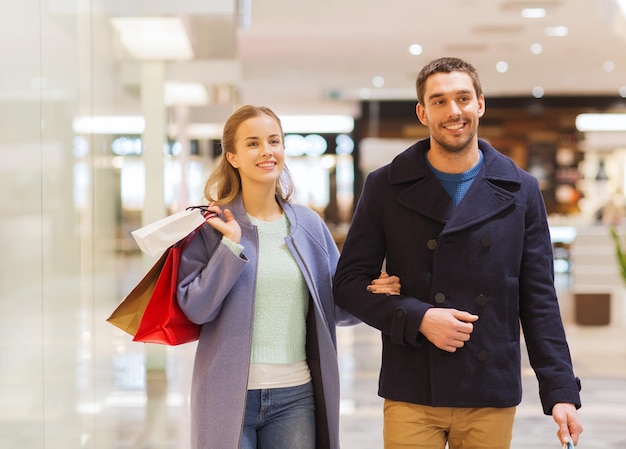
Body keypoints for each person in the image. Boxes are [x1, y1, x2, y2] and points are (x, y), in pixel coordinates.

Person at [332, 57, 583, 449]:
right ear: (422, 112)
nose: (454, 111)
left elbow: (539, 300)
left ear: (480, 104)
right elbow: (347, 284)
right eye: (439, 101)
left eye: (463, 98)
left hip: (489, 388)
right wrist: (419, 317)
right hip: (412, 385)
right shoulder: (385, 186)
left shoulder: (521, 190)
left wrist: (560, 390)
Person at [176, 105, 400, 449]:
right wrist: (230, 247)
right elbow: (197, 309)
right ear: (232, 156)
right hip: (226, 393)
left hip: (295, 396)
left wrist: (371, 292)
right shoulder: (213, 226)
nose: (267, 151)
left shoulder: (308, 225)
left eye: (274, 141)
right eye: (253, 143)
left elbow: (336, 307)